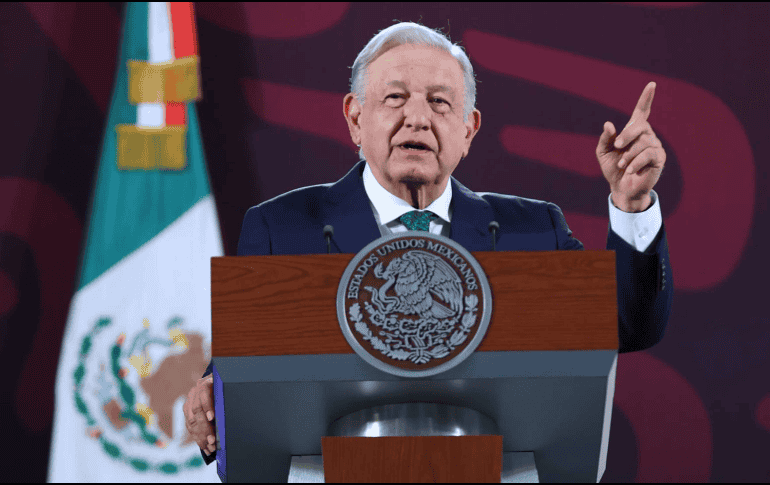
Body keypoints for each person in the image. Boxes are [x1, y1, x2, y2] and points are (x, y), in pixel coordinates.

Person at [184, 21, 672, 465]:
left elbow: (628, 324)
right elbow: (246, 359)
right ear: (355, 118)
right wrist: (213, 389)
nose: (417, 118)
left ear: (468, 129)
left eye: (440, 103)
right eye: (395, 98)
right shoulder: (283, 228)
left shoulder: (532, 231)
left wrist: (632, 205)